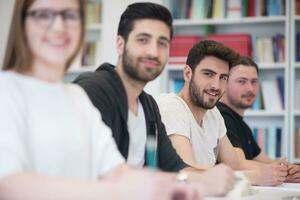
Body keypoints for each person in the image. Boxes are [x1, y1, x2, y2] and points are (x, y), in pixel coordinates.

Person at [0, 0, 201, 200]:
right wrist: (120, 191)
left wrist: (176, 187)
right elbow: (7, 184)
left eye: (70, 16)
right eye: (43, 15)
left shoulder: (76, 98)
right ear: (22, 23)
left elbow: (117, 172)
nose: (59, 27)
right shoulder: (6, 91)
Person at [74, 2, 234, 197]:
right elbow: (93, 178)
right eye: (143, 40)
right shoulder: (93, 91)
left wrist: (214, 178)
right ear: (120, 44)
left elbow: (175, 167)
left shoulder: (149, 106)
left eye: (162, 43)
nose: (153, 51)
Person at [157, 40, 288, 186]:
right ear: (188, 73)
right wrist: (254, 177)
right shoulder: (171, 106)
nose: (216, 85)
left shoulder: (213, 113)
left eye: (223, 77)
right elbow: (186, 170)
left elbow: (236, 164)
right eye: (208, 74)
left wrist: (279, 172)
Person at [217, 55, 300, 183]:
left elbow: (266, 160)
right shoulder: (222, 116)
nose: (250, 88)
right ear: (225, 82)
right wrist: (280, 172)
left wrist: (292, 169)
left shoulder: (242, 125)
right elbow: (238, 164)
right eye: (242, 81)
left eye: (254, 82)